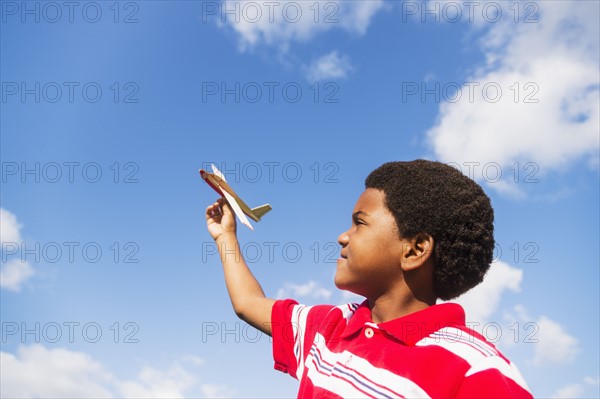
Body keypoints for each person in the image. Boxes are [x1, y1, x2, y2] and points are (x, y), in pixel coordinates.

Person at [205, 160, 533, 398]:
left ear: (415, 249)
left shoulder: (474, 369)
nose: (342, 237)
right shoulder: (327, 329)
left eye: (359, 223)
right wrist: (226, 238)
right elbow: (248, 304)